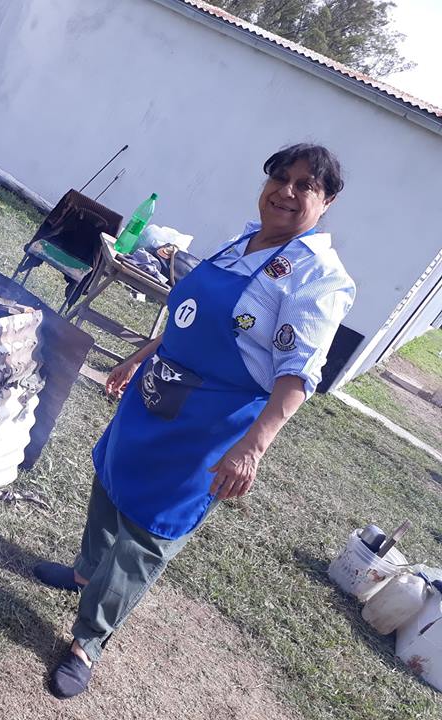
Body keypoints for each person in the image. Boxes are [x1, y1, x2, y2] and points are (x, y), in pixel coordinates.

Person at [33, 143, 356, 699]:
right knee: (111, 482)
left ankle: (88, 641)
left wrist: (252, 447)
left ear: (326, 201)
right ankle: (86, 572)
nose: (286, 191)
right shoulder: (243, 241)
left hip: (208, 424)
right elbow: (191, 315)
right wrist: (138, 357)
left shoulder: (318, 276)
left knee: (151, 529)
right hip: (157, 392)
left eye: (305, 185)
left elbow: (299, 373)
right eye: (279, 177)